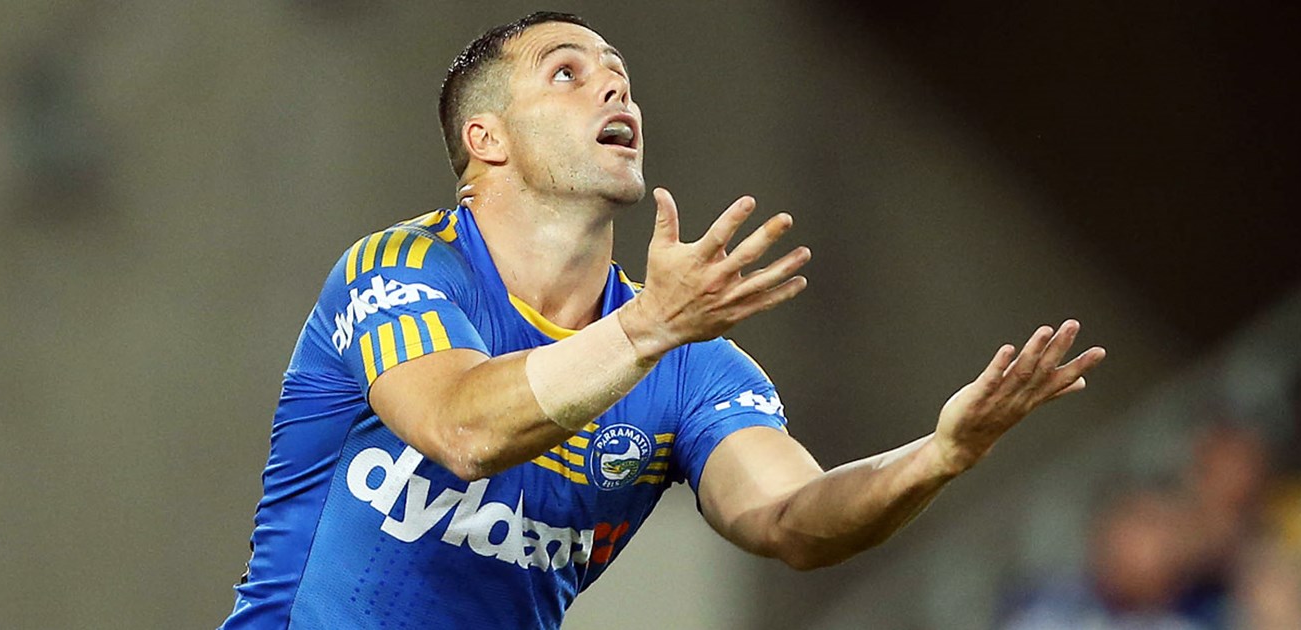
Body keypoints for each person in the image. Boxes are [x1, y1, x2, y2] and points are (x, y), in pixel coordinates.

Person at [221, 12, 1106, 629]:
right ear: (487, 139)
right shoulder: (403, 270)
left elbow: (791, 519)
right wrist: (646, 328)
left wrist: (936, 457)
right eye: (567, 73)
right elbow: (462, 428)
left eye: (620, 76)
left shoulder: (690, 362)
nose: (615, 89)